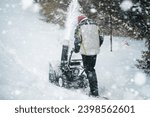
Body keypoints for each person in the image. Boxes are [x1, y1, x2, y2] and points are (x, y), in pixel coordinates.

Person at [74, 15, 104, 97]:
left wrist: (76, 49)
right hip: (94, 52)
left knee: (89, 70)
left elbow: (77, 40)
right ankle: (93, 89)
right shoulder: (95, 25)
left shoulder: (80, 26)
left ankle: (94, 92)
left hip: (86, 52)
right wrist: (96, 46)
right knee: (91, 69)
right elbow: (101, 38)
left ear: (80, 20)